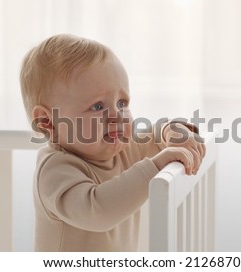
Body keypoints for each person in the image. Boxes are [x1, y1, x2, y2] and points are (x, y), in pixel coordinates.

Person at [19, 34, 205, 251]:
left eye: (122, 102)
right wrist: (154, 167)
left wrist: (171, 130)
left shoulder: (120, 148)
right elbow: (98, 211)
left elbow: (155, 136)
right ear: (47, 122)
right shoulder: (54, 170)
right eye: (98, 106)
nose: (118, 115)